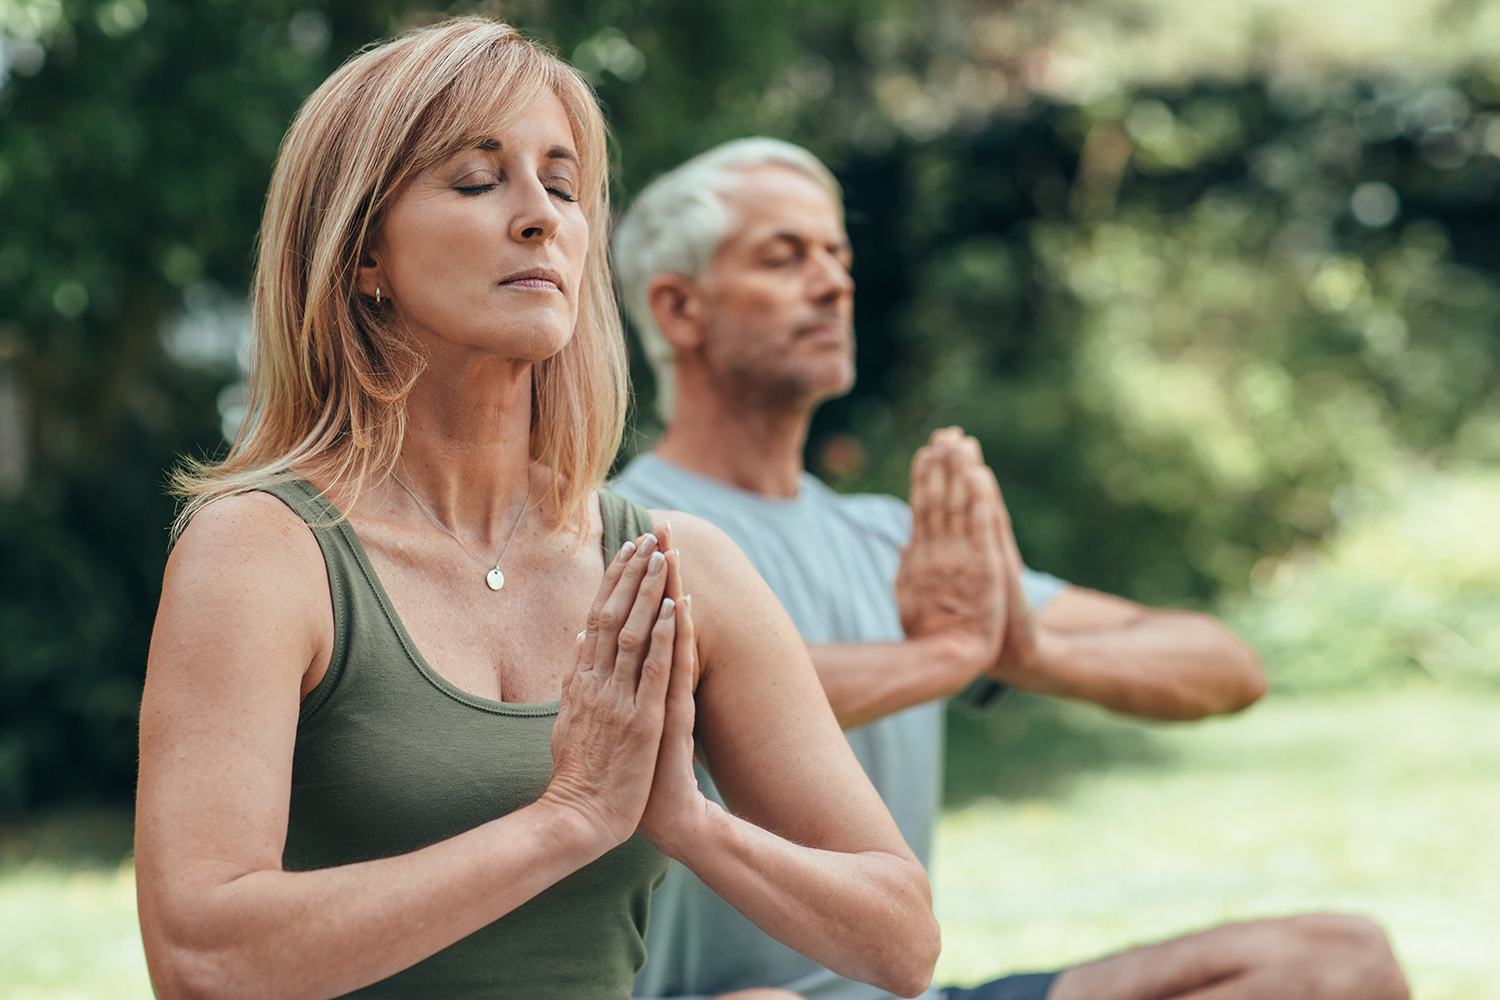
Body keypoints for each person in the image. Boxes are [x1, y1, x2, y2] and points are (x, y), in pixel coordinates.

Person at [134, 28, 941, 1000]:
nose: (539, 219)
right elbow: (205, 959)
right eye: (477, 181)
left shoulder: (676, 566)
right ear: (361, 256)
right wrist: (569, 819)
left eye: (561, 187)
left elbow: (901, 942)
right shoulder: (265, 551)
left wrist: (685, 818)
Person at [610, 137, 1410, 1000]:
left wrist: (1023, 651)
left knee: (1340, 962)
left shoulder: (896, 544)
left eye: (838, 254)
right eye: (785, 256)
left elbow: (1227, 667)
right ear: (681, 310)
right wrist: (937, 661)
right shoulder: (621, 532)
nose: (834, 282)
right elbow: (692, 697)